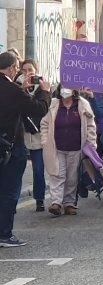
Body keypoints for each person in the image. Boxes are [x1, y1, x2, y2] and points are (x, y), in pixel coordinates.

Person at [0, 52, 51, 246]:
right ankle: (5, 233)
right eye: (17, 68)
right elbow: (38, 109)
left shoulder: (13, 89)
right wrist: (45, 91)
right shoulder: (12, 90)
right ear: (13, 68)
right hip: (11, 148)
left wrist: (19, 89)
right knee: (10, 191)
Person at [40, 85, 97, 216]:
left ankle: (69, 203)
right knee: (57, 174)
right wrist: (45, 141)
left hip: (76, 148)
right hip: (57, 147)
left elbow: (90, 125)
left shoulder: (82, 104)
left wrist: (91, 143)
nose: (65, 91)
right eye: (63, 88)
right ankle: (56, 202)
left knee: (72, 177)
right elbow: (44, 124)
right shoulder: (53, 104)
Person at [16, 60, 46, 212]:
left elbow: (43, 110)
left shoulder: (43, 88)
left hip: (37, 137)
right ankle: (12, 200)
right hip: (20, 136)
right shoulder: (16, 87)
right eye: (24, 70)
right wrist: (21, 89)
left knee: (38, 169)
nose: (28, 73)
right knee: (16, 170)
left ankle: (39, 199)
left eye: (31, 70)